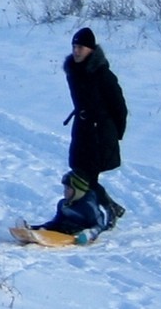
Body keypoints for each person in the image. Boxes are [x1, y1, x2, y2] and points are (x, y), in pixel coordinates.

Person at [63, 27, 128, 229]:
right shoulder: (74, 72)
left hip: (100, 133)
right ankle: (102, 209)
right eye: (74, 46)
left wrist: (115, 133)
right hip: (82, 130)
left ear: (91, 49)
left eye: (80, 47)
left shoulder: (103, 75)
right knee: (79, 172)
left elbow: (119, 106)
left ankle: (106, 210)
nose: (76, 51)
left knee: (87, 176)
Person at [29, 171, 106, 245]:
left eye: (68, 189)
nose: (65, 191)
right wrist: (39, 228)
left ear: (78, 190)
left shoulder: (88, 206)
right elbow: (56, 222)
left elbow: (99, 225)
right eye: (65, 188)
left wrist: (88, 234)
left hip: (78, 233)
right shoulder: (63, 204)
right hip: (64, 231)